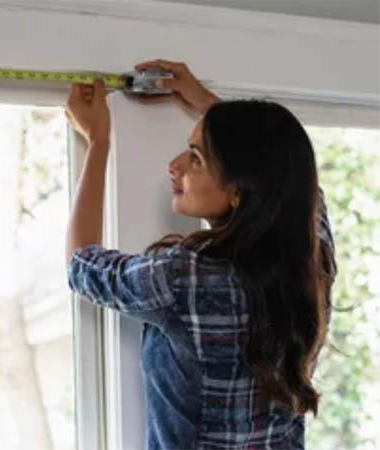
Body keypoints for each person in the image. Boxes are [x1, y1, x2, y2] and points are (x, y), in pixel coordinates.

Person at [64, 60, 337, 449]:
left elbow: (81, 265)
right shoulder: (312, 262)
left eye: (195, 158)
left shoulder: (184, 276)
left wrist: (98, 140)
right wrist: (209, 105)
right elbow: (293, 182)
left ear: (240, 189)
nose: (174, 166)